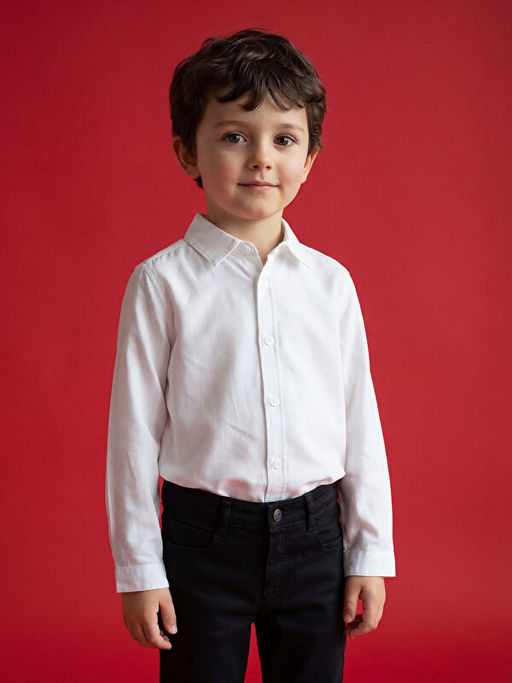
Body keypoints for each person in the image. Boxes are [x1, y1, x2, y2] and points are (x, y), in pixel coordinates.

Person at [105, 27, 396, 683]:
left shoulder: (331, 284)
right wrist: (140, 570)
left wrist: (369, 552)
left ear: (310, 159)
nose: (262, 158)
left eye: (284, 139)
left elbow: (361, 423)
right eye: (235, 136)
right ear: (189, 151)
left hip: (316, 540)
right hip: (202, 542)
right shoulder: (161, 283)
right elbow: (133, 435)